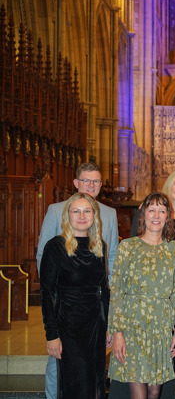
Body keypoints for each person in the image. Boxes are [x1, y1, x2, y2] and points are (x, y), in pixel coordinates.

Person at [36, 162, 119, 399]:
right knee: (63, 373)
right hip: (66, 314)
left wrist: (108, 318)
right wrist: (52, 329)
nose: (91, 185)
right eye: (86, 180)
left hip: (94, 319)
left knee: (94, 377)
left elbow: (107, 268)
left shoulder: (103, 231)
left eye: (96, 182)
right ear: (76, 183)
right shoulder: (56, 227)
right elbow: (46, 278)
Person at [108, 192, 175, 399]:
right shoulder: (128, 246)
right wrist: (117, 333)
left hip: (161, 326)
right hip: (132, 325)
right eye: (151, 210)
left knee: (155, 391)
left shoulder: (174, 249)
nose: (156, 215)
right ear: (143, 214)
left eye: (161, 211)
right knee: (139, 392)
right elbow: (116, 291)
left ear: (167, 216)